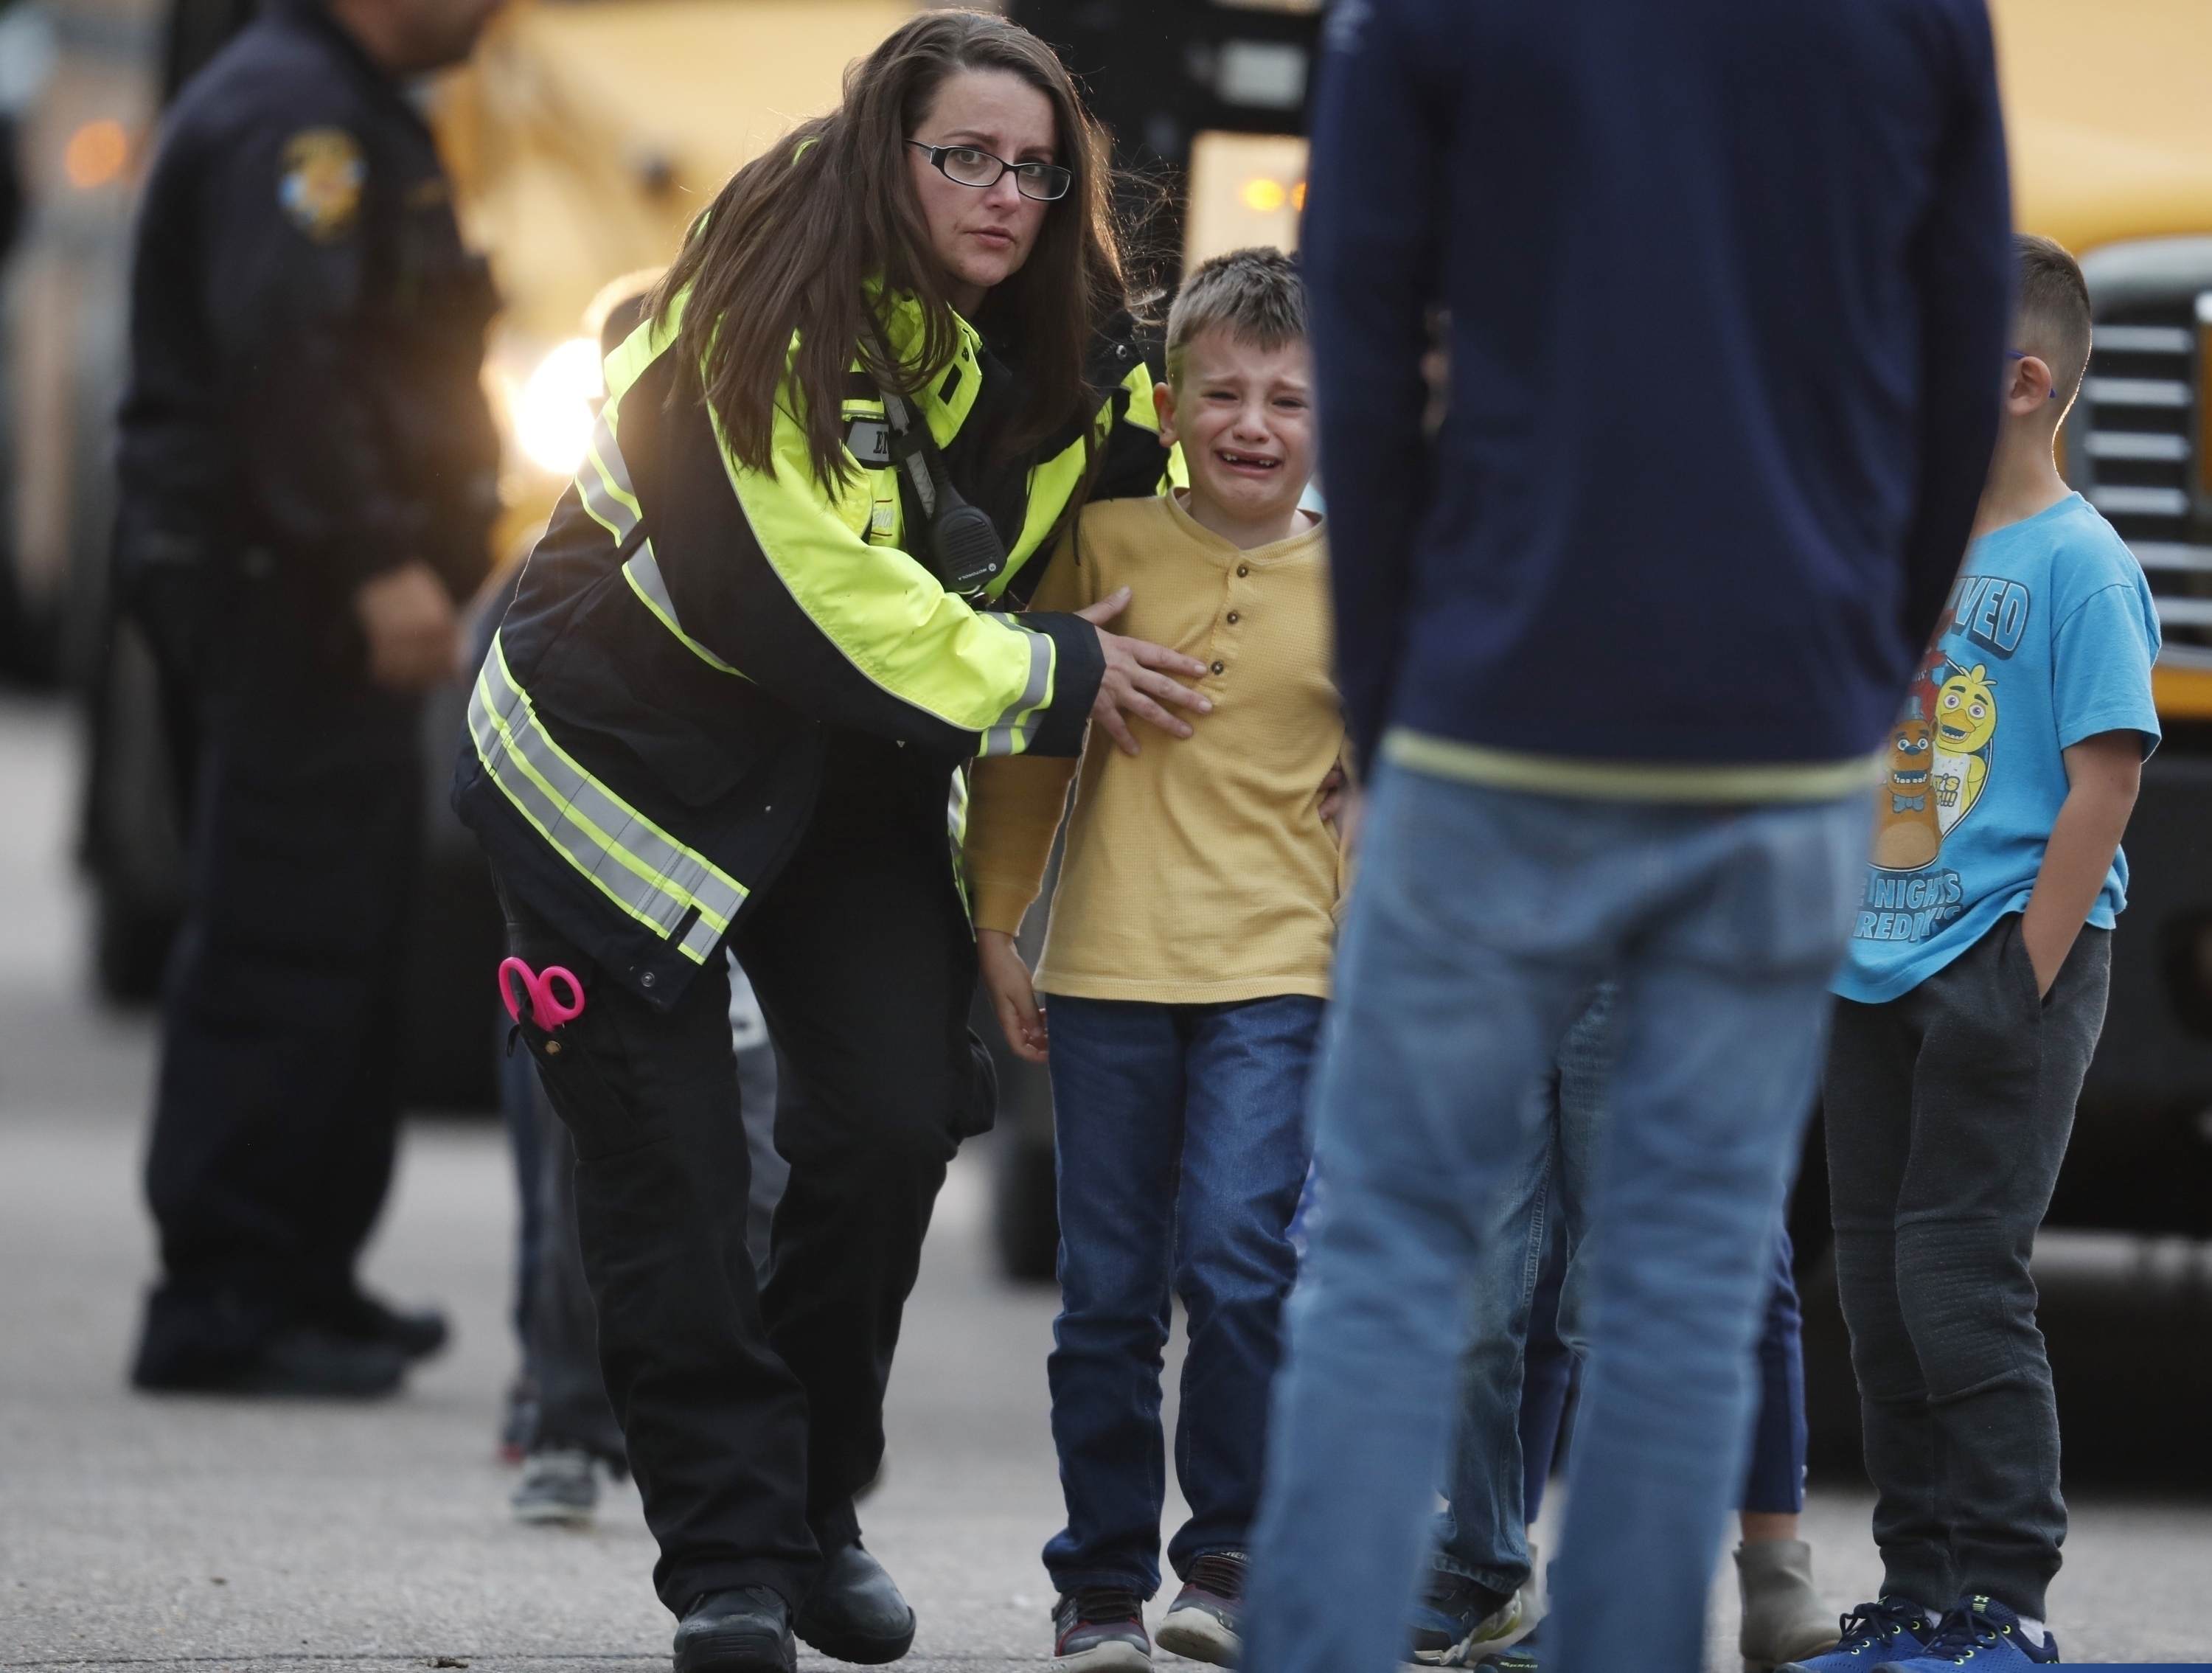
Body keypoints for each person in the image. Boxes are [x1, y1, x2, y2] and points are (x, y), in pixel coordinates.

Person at [1239, 1, 2014, 1672]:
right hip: (1779, 721)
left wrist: (1388, 682)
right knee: (1679, 1290)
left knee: (1387, 1257)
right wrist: (1858, 646)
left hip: (1492, 703)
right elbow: (1959, 356)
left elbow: (1358, 332)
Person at [452, 15, 1208, 1672]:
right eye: (965, 159)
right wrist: (1053, 671)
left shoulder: (1057, 342)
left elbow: (1194, 465)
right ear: (888, 154)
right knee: (678, 1173)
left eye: (1037, 168)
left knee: (883, 1124)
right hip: (619, 762)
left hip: (844, 753)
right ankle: (731, 1564)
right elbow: (796, 589)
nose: (1005, 196)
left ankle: (803, 1505)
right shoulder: (760, 315)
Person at [118, 0, 506, 1397]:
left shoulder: (335, 99)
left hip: (308, 580)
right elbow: (290, 355)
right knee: (283, 934)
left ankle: (303, 1275)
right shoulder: (303, 121)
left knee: (344, 928)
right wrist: (372, 553)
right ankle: (222, 1296)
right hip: (288, 581)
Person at [965, 248, 1339, 1673]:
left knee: (1242, 1259)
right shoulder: (1104, 543)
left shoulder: (1369, 583)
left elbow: (1386, 780)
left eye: (1290, 397)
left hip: (1281, 969)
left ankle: (1228, 1557)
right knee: (1107, 1291)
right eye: (1225, 391)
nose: (1254, 420)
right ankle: (1102, 1583)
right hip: (1107, 967)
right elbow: (1028, 743)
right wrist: (1002, 920)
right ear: (1172, 406)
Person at [1797, 236, 2159, 1673]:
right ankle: (1922, 1598)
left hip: (2002, 968)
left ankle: (2006, 1602)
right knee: (1880, 1296)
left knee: (1961, 1284)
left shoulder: (2079, 563)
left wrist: (2026, 970)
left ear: (2017, 383)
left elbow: (2109, 778)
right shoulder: (1911, 549)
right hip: (1870, 965)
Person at [1409, 985, 1834, 1672]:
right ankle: (1480, 1560)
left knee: (1634, 1303)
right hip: (1508, 957)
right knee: (1480, 1298)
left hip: (1641, 967)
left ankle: (1623, 1593)